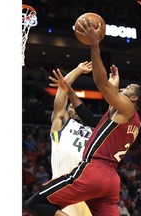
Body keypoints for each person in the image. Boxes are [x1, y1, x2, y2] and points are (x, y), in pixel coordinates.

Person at [25, 17, 141, 216]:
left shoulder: (119, 114)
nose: (123, 89)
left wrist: (94, 45)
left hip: (89, 176)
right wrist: (74, 81)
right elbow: (97, 110)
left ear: (133, 98)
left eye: (127, 89)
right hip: (102, 181)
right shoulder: (124, 121)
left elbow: (100, 87)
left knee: (34, 203)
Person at [48, 61, 96, 216]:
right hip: (65, 190)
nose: (72, 109)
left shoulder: (93, 130)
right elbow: (62, 89)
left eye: (74, 107)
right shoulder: (61, 124)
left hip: (90, 194)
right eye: (69, 108)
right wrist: (78, 69)